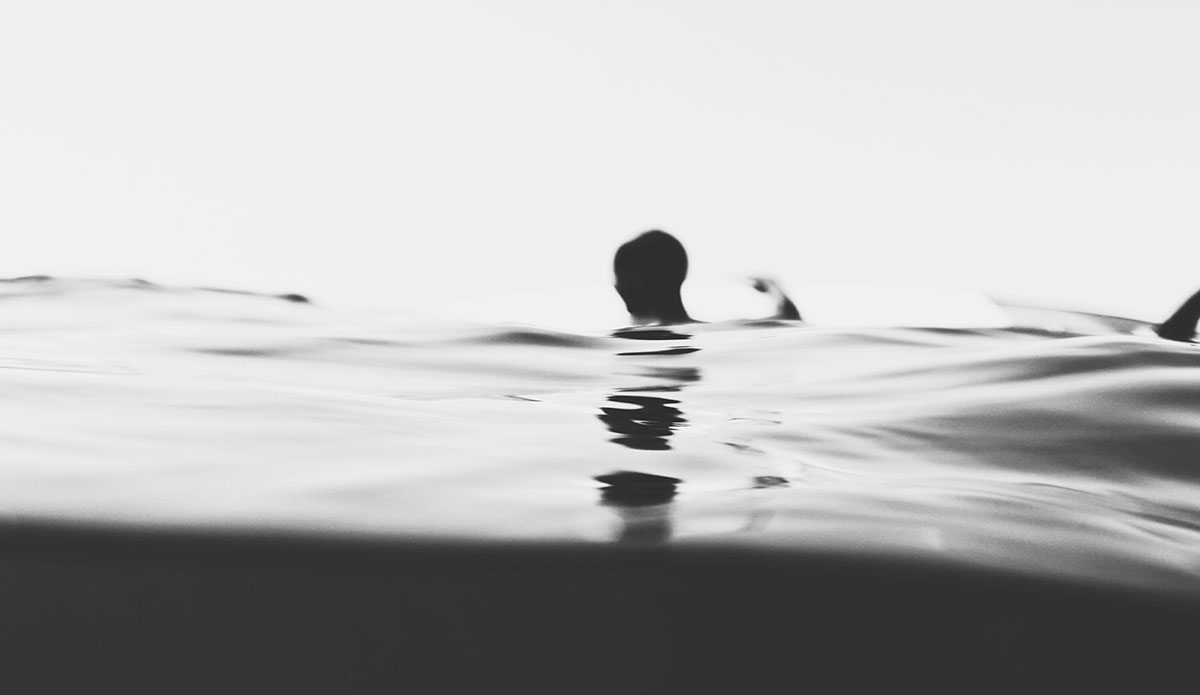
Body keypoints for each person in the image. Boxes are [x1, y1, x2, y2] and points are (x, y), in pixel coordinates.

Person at [613, 230, 800, 326]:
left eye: (619, 278)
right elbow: (789, 321)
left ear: (635, 282)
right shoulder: (720, 333)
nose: (616, 287)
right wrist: (774, 288)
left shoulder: (619, 342)